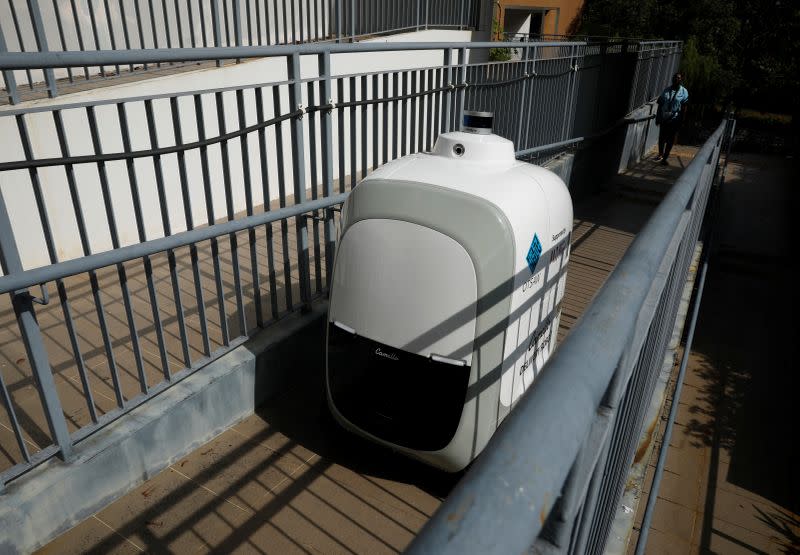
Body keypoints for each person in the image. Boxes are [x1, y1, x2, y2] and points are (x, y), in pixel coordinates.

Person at [655, 73, 688, 165]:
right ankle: (660, 154)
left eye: (678, 78)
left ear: (681, 80)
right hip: (664, 117)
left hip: (675, 119)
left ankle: (665, 157)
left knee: (670, 139)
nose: (676, 79)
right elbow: (660, 104)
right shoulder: (666, 90)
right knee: (662, 137)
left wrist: (682, 120)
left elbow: (684, 108)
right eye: (674, 78)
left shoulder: (684, 91)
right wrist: (658, 117)